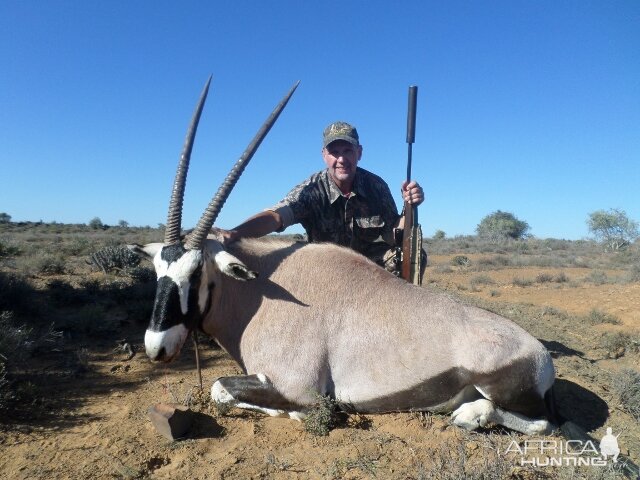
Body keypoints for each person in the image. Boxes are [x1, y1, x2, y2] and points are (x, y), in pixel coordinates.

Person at [221, 121, 424, 275]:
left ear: (359, 153)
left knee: (411, 254)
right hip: (324, 266)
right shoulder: (311, 189)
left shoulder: (376, 186)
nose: (341, 159)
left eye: (348, 151)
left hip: (366, 262)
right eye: (334, 152)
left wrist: (410, 206)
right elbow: (277, 217)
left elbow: (393, 235)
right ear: (324, 155)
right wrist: (235, 234)